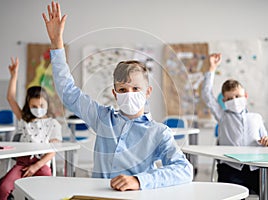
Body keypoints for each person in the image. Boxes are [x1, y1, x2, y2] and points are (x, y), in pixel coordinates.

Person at [42, 1, 193, 191]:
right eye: (122, 90)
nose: (129, 94)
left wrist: (139, 181)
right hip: (98, 195)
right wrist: (57, 45)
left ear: (148, 92)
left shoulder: (158, 132)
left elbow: (184, 170)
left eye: (135, 88)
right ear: (114, 94)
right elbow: (67, 91)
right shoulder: (102, 117)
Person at [0, 57, 62, 200]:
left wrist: (36, 166)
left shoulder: (54, 124)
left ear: (47, 105)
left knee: (47, 193)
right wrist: (14, 76)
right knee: (3, 189)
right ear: (28, 106)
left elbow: (53, 151)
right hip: (22, 164)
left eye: (41, 106)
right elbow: (11, 98)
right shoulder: (24, 119)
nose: (38, 109)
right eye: (34, 107)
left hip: (41, 164)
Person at [202, 53, 268, 195]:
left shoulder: (256, 118)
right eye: (230, 98)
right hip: (230, 169)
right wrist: (211, 68)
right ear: (224, 101)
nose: (234, 100)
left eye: (237, 96)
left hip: (256, 168)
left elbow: (266, 140)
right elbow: (206, 95)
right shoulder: (223, 116)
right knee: (230, 195)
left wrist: (266, 141)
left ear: (245, 96)